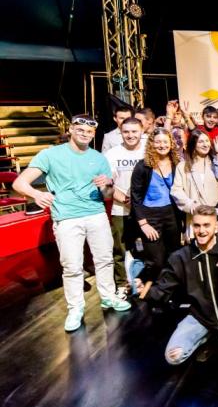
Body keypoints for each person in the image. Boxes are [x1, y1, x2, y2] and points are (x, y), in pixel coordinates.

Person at [12, 114, 130, 331]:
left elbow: (107, 194)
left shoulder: (98, 158)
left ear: (93, 134)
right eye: (80, 130)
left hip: (96, 214)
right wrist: (36, 194)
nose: (84, 134)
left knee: (105, 260)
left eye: (89, 131)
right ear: (71, 130)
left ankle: (108, 296)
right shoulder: (50, 155)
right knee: (72, 266)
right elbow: (19, 183)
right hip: (66, 217)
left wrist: (108, 185)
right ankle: (75, 308)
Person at [136, 205, 218, 394]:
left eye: (206, 225)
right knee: (173, 357)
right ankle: (207, 336)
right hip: (200, 317)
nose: (201, 231)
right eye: (197, 225)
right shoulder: (180, 257)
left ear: (216, 227)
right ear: (192, 227)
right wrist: (145, 292)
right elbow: (163, 289)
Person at [130, 127, 183, 282]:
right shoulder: (142, 166)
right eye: (158, 142)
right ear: (151, 144)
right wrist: (143, 224)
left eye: (165, 142)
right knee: (156, 261)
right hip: (150, 217)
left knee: (174, 256)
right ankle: (149, 289)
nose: (162, 145)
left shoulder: (177, 164)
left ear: (171, 144)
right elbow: (135, 197)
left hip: (172, 215)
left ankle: (170, 289)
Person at [104, 116, 146, 300]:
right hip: (121, 209)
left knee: (147, 248)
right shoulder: (112, 154)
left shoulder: (148, 150)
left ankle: (144, 282)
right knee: (119, 249)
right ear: (120, 132)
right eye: (126, 132)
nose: (130, 135)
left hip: (145, 209)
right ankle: (122, 284)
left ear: (142, 131)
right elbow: (107, 184)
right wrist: (126, 200)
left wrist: (139, 202)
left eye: (134, 131)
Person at [170, 129, 218, 240]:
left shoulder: (216, 162)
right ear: (193, 144)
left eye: (207, 141)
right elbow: (176, 190)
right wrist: (191, 205)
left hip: (217, 217)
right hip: (195, 217)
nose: (205, 144)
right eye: (201, 142)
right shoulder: (183, 166)